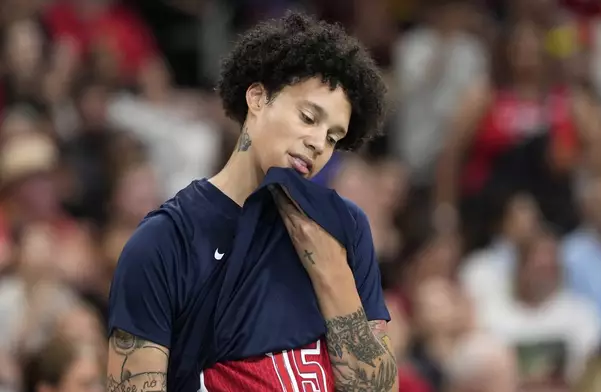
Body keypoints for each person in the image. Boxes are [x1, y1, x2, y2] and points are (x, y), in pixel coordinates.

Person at [106, 10, 396, 392]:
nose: (318, 143)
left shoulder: (346, 226)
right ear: (258, 98)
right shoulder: (164, 242)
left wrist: (333, 275)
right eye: (309, 117)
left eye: (333, 137)